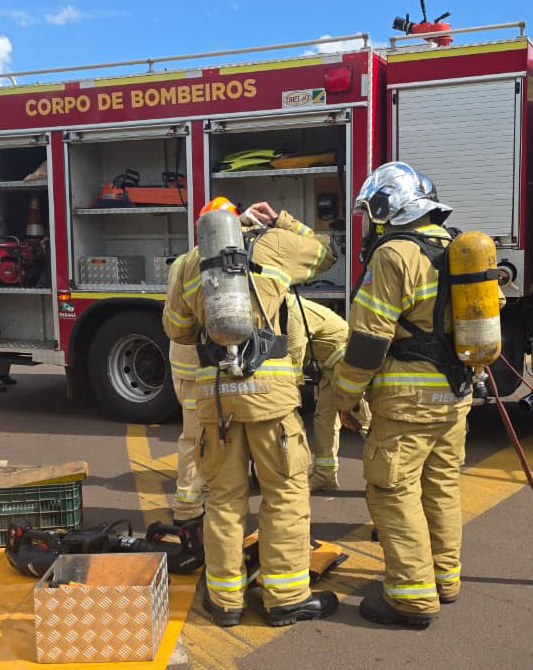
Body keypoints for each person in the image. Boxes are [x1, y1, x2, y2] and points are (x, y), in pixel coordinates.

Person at [162, 197, 338, 628]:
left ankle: (225, 601)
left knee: (222, 499)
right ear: (244, 219)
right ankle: (286, 597)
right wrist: (283, 219)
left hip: (216, 399)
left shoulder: (189, 263)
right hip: (270, 399)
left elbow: (177, 329)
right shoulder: (275, 245)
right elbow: (326, 253)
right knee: (284, 494)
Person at [332, 162, 470, 629]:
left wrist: (345, 396)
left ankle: (411, 597)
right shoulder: (454, 246)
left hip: (407, 398)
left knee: (393, 490)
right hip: (455, 396)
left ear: (386, 209)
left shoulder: (394, 254)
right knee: (442, 486)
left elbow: (369, 339)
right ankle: (444, 578)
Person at [285, 295, 371, 491]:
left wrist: (288, 396)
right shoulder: (286, 310)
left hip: (344, 367)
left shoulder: (292, 313)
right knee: (324, 420)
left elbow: (294, 357)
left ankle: (389, 477)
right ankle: (325, 476)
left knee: (363, 421)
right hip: (330, 367)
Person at [166, 256, 207, 527]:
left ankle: (193, 501)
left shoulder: (182, 261)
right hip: (195, 365)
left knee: (200, 437)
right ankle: (186, 508)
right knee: (194, 439)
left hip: (186, 362)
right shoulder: (203, 264)